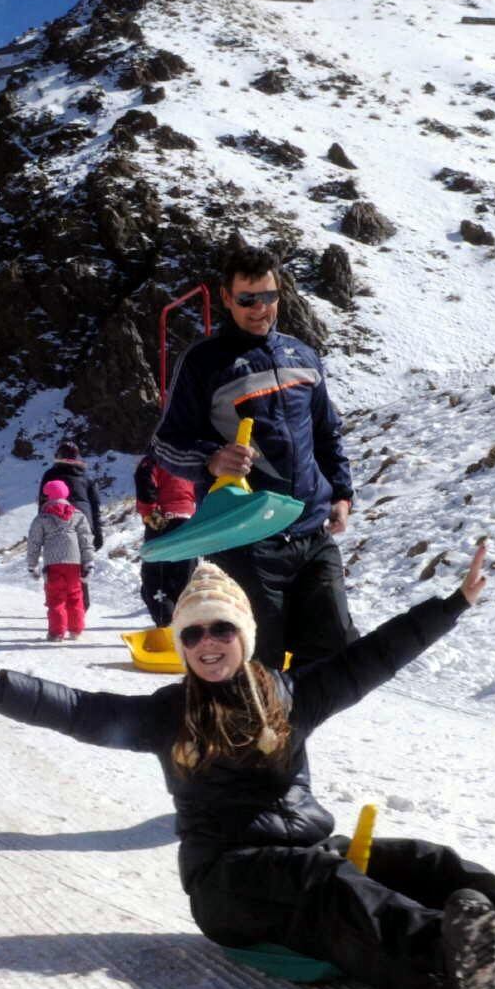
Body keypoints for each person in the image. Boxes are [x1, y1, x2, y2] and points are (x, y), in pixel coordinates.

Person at [0, 543, 495, 989]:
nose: (209, 641)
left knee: (423, 861)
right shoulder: (164, 715)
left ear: (244, 634)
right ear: (181, 643)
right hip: (226, 882)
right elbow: (78, 709)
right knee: (325, 882)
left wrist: (448, 604)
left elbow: (371, 657)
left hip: (305, 850)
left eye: (222, 628)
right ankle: (443, 971)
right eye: (194, 631)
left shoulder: (290, 696)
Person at [152, 244, 356, 670]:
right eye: (248, 299)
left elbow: (326, 432)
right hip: (246, 539)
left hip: (311, 532)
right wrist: (211, 459)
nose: (261, 309)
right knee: (256, 667)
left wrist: (341, 492)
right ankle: (263, 734)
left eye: (270, 296)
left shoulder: (303, 355)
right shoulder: (204, 363)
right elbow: (167, 443)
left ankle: (293, 732)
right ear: (226, 298)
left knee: (333, 651)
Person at [26, 478, 94, 642]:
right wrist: (89, 561)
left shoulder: (43, 518)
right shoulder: (78, 516)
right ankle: (76, 630)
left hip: (53, 564)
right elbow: (86, 539)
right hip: (74, 563)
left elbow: (34, 542)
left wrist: (32, 564)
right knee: (75, 596)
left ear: (48, 497)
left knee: (56, 598)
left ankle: (56, 633)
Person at [134, 452, 196, 627]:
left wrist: (151, 515)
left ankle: (167, 621)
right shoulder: (187, 460)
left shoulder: (153, 461)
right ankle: (184, 624)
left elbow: (145, 486)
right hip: (188, 522)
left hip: (162, 520)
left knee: (155, 575)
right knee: (183, 576)